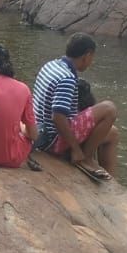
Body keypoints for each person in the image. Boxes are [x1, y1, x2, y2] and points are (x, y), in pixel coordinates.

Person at [32, 33, 118, 182]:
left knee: (112, 133)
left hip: (40, 133)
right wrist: (76, 150)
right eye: (92, 58)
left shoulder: (51, 65)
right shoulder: (67, 78)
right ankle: (86, 158)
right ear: (87, 55)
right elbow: (58, 117)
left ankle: (111, 182)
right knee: (109, 108)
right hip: (53, 141)